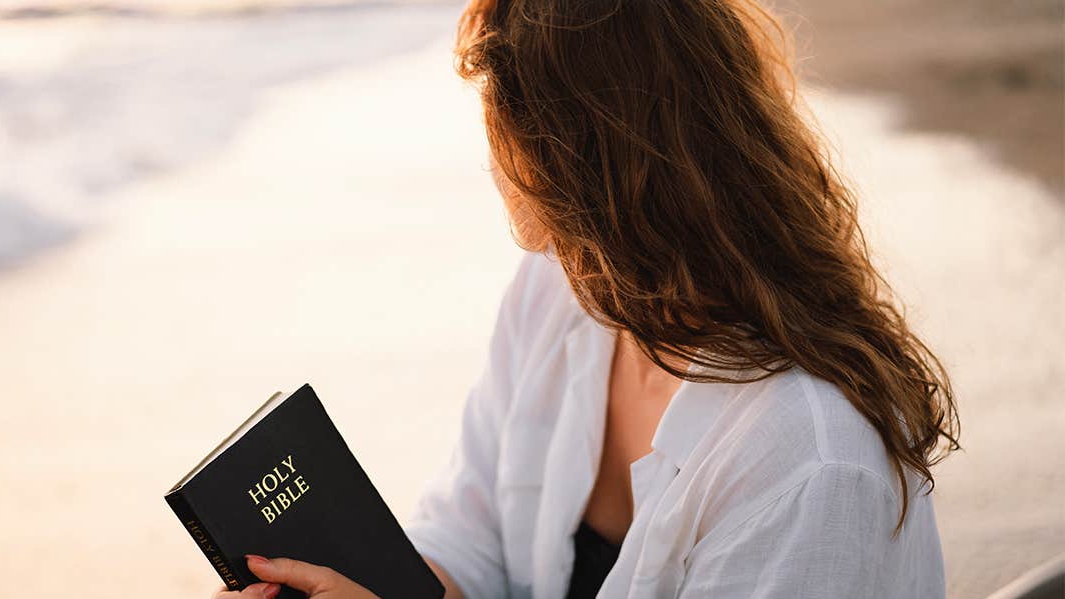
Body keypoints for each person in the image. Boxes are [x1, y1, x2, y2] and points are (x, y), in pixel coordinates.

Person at [213, 0, 960, 597]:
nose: (491, 160)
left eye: (501, 127)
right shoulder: (564, 292)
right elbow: (465, 544)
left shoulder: (808, 461)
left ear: (573, 161)